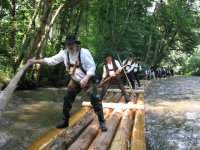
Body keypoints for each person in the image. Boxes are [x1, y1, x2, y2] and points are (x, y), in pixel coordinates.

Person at [28, 35, 107, 131]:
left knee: (95, 99)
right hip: (74, 81)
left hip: (87, 80)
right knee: (67, 100)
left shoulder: (84, 52)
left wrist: (86, 78)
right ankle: (65, 121)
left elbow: (92, 67)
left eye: (71, 44)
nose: (70, 46)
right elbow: (51, 60)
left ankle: (102, 121)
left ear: (75, 44)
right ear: (66, 45)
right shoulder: (64, 53)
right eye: (68, 44)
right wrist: (35, 61)